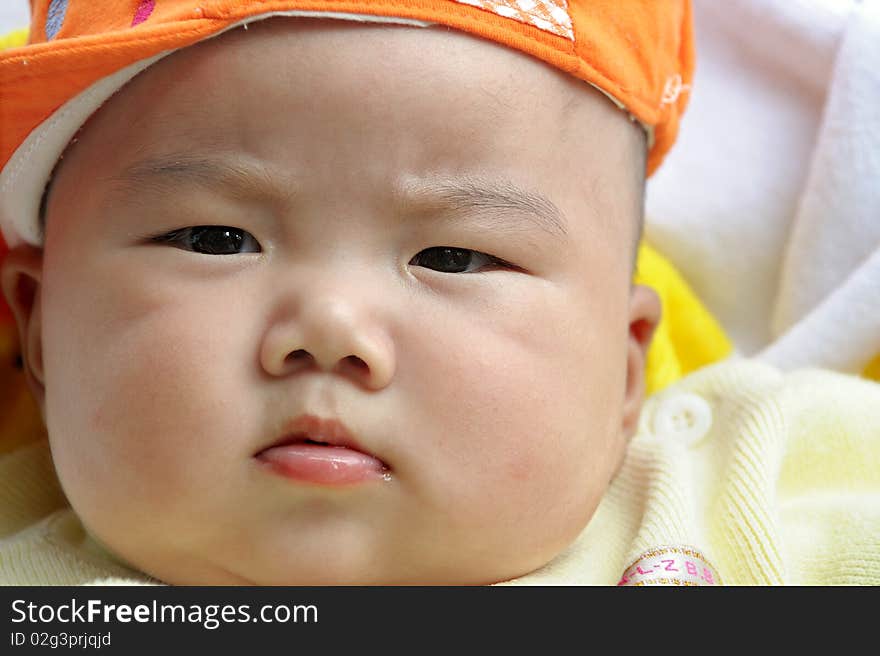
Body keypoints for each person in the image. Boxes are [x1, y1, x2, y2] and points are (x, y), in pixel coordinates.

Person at [1, 1, 877, 586]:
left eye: (454, 258)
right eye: (214, 240)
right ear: (38, 331)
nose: (332, 328)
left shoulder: (760, 479)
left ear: (622, 371)